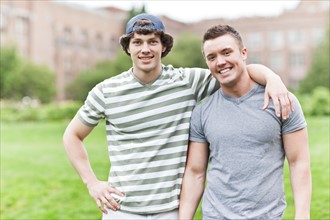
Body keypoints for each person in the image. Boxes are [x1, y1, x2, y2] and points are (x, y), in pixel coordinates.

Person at [63, 13, 294, 219]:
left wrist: (272, 78)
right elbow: (72, 135)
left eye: (153, 41)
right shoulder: (106, 92)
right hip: (122, 210)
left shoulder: (187, 82)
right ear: (128, 48)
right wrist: (92, 183)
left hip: (171, 210)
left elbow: (232, 69)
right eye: (138, 42)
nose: (146, 49)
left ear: (163, 46)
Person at [179, 24, 312, 220]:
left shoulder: (281, 100)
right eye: (212, 57)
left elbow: (298, 162)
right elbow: (195, 173)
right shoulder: (202, 111)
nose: (221, 62)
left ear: (243, 53)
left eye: (226, 52)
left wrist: (302, 215)